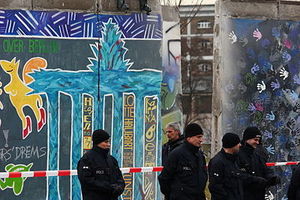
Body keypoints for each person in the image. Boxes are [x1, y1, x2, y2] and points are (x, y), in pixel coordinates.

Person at [158, 123, 208, 200]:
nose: (201, 140)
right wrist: (172, 195)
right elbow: (164, 178)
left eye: (201, 137)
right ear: (189, 138)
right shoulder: (176, 154)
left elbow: (203, 175)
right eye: (198, 137)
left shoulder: (200, 155)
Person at [77, 129, 125, 200]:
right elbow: (86, 180)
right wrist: (109, 187)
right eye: (105, 142)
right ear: (97, 142)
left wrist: (120, 187)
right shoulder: (87, 159)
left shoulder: (111, 159)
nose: (108, 144)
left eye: (108, 142)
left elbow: (119, 177)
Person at [237, 126, 280, 200]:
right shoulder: (238, 155)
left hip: (258, 194)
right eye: (255, 140)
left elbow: (265, 169)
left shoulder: (257, 155)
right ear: (247, 139)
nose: (257, 142)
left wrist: (272, 178)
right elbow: (239, 176)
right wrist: (256, 180)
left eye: (259, 140)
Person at [208, 132, 243, 200]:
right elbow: (215, 187)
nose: (240, 145)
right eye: (238, 143)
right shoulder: (217, 162)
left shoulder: (234, 160)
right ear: (232, 145)